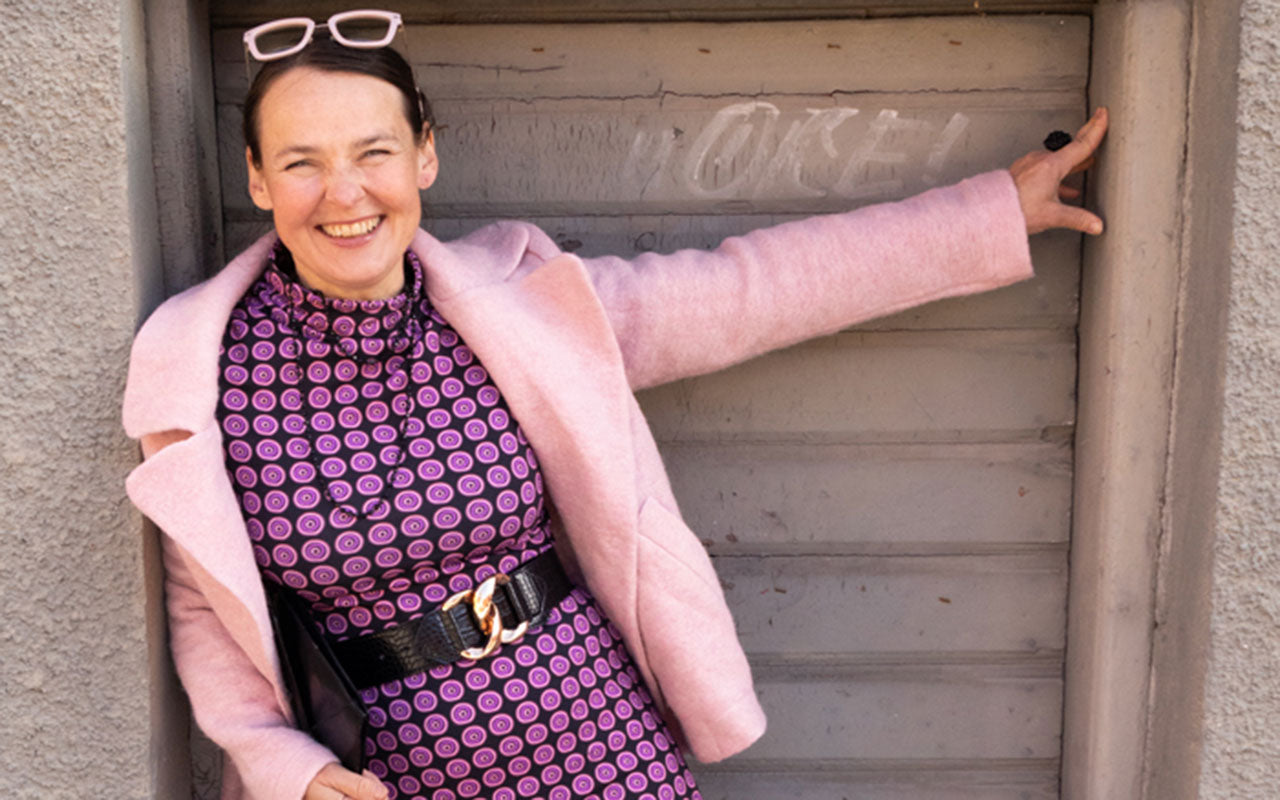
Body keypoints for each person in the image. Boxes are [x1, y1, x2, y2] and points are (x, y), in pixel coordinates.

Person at [123, 10, 1108, 800]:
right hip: (386, 775)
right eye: (301, 160)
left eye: (373, 151)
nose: (344, 193)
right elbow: (203, 607)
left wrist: (988, 213)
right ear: (258, 178)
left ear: (424, 155)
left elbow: (752, 290)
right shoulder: (205, 369)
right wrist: (283, 765)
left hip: (592, 735)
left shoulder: (520, 310)